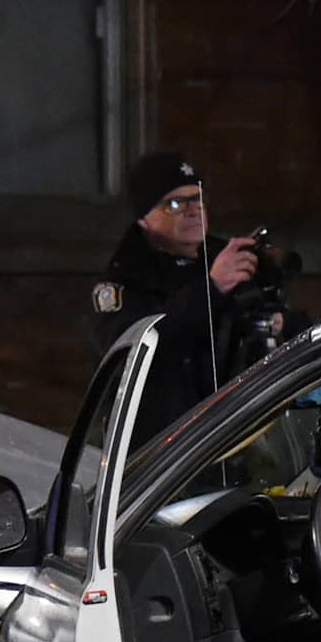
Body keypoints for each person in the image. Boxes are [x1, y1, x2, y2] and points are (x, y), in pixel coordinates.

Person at [85, 150, 261, 439]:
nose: (194, 211)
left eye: (198, 199)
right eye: (176, 203)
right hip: (161, 454)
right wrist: (212, 289)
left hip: (236, 438)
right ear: (144, 218)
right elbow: (133, 350)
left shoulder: (225, 259)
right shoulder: (123, 282)